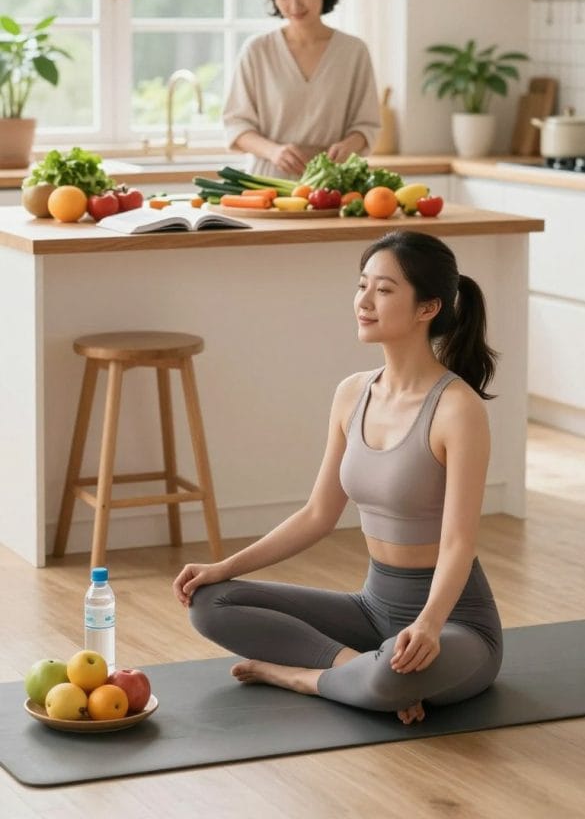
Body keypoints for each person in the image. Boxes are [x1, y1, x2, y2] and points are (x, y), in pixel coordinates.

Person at [173, 231, 503, 725]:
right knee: (210, 602)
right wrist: (224, 567)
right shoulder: (352, 394)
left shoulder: (458, 410)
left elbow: (458, 542)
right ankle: (356, 670)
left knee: (394, 675)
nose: (364, 302)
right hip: (372, 610)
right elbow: (317, 515)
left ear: (427, 308)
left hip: (454, 622)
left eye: (385, 290)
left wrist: (430, 626)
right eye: (362, 285)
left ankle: (297, 676)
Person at [223, 0, 380, 178]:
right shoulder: (257, 51)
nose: (294, 5)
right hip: (268, 184)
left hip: (333, 184)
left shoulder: (354, 51)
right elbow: (236, 125)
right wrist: (274, 152)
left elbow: (367, 124)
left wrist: (349, 146)